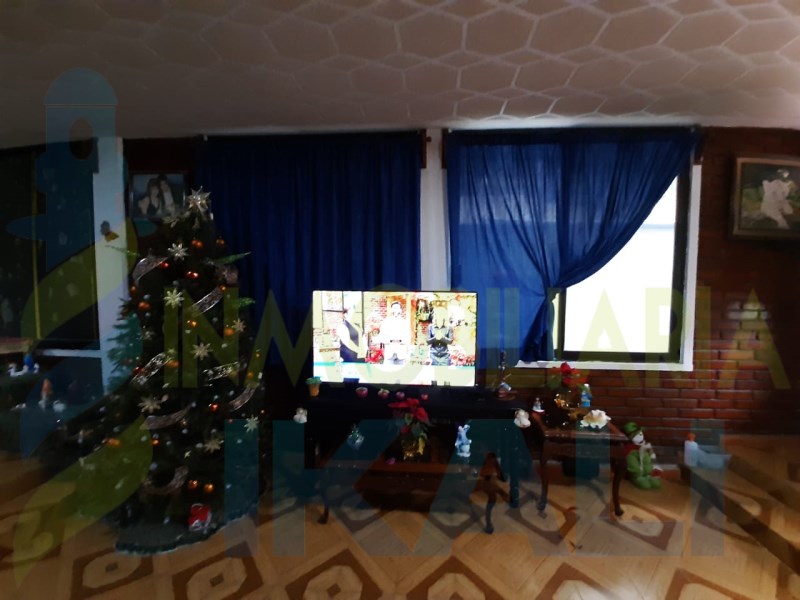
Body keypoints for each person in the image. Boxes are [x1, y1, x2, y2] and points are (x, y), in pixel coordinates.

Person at [380, 301, 410, 365]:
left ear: (400, 310)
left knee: (401, 371)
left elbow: (407, 337)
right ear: (391, 310)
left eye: (397, 308)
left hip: (401, 352)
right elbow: (382, 336)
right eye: (394, 308)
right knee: (387, 370)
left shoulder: (404, 322)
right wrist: (390, 341)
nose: (395, 310)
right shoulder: (386, 322)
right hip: (389, 352)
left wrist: (400, 341)